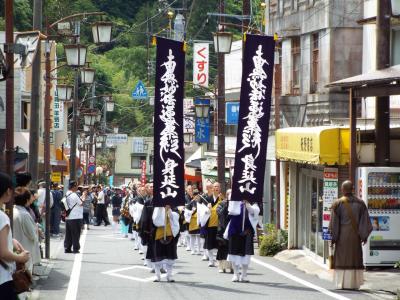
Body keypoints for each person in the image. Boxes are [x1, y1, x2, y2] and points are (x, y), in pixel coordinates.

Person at [329, 180, 373, 290]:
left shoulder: (337, 203)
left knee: (342, 259)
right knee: (355, 258)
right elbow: (365, 222)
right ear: (352, 189)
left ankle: (342, 283)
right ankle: (354, 284)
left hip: (342, 237)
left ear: (343, 190)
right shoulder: (361, 203)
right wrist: (364, 236)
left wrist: (333, 238)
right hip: (355, 237)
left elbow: (334, 224)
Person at [0, 172, 30, 298]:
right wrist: (21, 258)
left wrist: (10, 239)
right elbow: (3, 253)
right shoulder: (2, 217)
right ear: (8, 191)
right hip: (2, 278)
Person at [226, 200, 260, 282]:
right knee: (234, 253)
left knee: (246, 254)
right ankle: (236, 274)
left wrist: (247, 204)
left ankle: (244, 274)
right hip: (234, 229)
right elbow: (231, 212)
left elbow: (254, 213)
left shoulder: (253, 202)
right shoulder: (234, 199)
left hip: (247, 230)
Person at [13, 187, 41, 272]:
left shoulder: (12, 210)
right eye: (30, 198)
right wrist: (36, 228)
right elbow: (32, 235)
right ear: (26, 200)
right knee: (24, 277)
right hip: (25, 249)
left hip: (15, 248)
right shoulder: (24, 214)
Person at [151, 205, 180, 282]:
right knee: (158, 256)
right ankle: (157, 276)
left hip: (170, 234)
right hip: (159, 234)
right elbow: (155, 220)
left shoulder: (174, 206)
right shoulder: (157, 207)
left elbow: (176, 217)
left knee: (170, 257)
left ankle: (169, 276)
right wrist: (161, 209)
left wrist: (169, 210)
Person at [203, 182, 223, 267]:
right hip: (210, 224)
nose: (216, 188)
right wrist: (207, 210)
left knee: (220, 244)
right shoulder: (207, 199)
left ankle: (219, 261)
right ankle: (211, 260)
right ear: (212, 188)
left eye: (217, 186)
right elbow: (201, 212)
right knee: (209, 244)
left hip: (219, 225)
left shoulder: (222, 199)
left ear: (220, 188)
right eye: (214, 186)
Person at [64, 180, 84, 254]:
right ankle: (76, 248)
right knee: (76, 233)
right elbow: (81, 203)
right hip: (76, 217)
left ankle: (67, 248)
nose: (77, 188)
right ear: (74, 187)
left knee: (68, 234)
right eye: (76, 186)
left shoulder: (67, 194)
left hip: (68, 216)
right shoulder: (74, 195)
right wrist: (84, 195)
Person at [216, 189, 232, 273]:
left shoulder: (235, 204)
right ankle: (221, 267)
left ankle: (232, 267)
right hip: (222, 228)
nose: (230, 195)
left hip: (232, 228)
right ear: (226, 195)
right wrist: (226, 205)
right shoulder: (222, 203)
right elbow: (219, 213)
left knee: (231, 248)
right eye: (229, 194)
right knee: (222, 248)